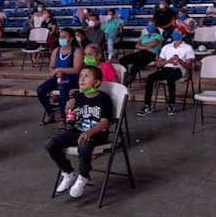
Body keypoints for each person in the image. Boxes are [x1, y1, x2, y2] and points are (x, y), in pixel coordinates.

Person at [47, 65, 113, 198]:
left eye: (86, 76)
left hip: (96, 134)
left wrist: (89, 132)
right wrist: (68, 109)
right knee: (51, 143)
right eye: (81, 76)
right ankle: (68, 172)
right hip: (77, 131)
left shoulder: (103, 98)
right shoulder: (78, 97)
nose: (81, 79)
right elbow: (71, 121)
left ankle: (83, 175)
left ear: (96, 82)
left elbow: (105, 122)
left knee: (84, 143)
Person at [137, 30, 195, 117]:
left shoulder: (188, 48)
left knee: (170, 78)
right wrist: (168, 61)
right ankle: (147, 106)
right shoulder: (167, 47)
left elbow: (189, 66)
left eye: (178, 32)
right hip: (166, 68)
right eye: (174, 32)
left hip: (179, 69)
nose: (175, 34)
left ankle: (171, 104)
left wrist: (180, 61)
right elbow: (158, 64)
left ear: (183, 35)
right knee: (150, 77)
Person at [37, 28, 83, 129]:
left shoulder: (76, 51)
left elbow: (76, 69)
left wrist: (60, 70)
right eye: (60, 37)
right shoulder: (56, 50)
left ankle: (63, 117)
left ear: (71, 39)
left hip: (72, 78)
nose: (61, 39)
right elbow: (51, 66)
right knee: (41, 90)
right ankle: (50, 114)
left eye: (64, 37)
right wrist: (55, 72)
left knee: (63, 87)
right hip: (58, 77)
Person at [119, 21, 162, 86]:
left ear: (155, 27)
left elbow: (154, 44)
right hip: (140, 53)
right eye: (148, 24)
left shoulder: (158, 36)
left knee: (134, 67)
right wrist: (146, 47)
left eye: (152, 25)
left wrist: (142, 46)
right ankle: (126, 76)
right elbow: (136, 46)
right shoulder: (143, 36)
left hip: (150, 55)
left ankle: (125, 85)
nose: (149, 26)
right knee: (122, 60)